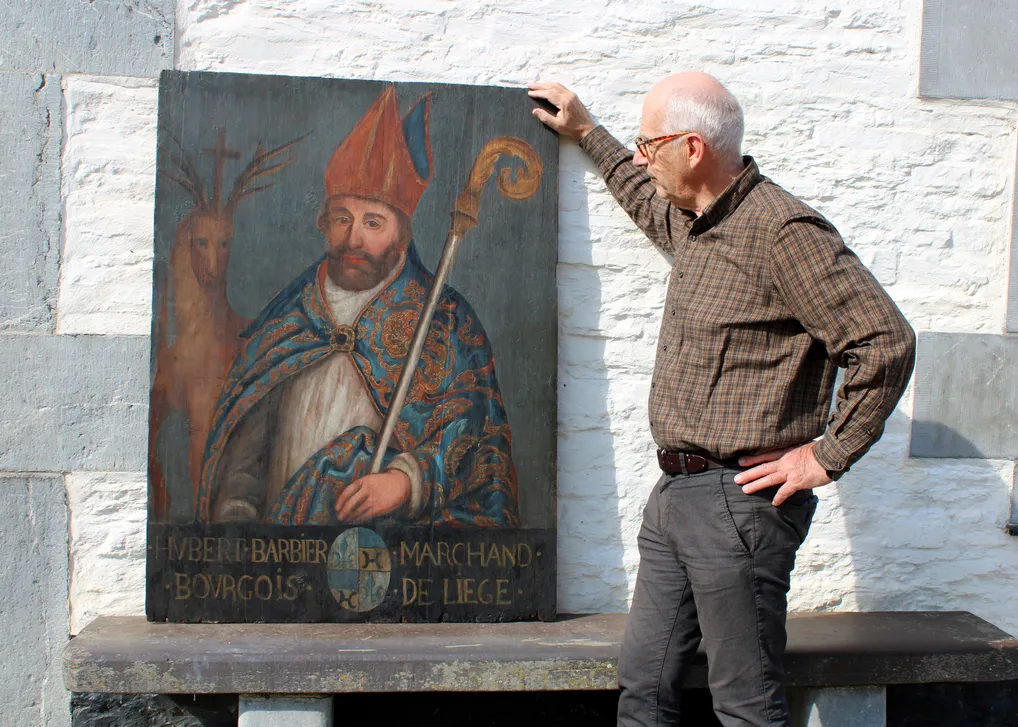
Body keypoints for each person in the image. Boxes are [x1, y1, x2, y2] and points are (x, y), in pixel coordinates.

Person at [529, 74, 915, 726]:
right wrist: (587, 131)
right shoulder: (696, 224)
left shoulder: (782, 231)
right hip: (675, 499)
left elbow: (885, 342)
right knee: (643, 687)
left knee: (745, 703)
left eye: (650, 144)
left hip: (739, 506)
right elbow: (644, 200)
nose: (642, 157)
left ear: (693, 146)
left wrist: (826, 454)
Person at [195, 85, 519, 528]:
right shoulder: (289, 318)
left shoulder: (444, 322)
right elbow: (245, 460)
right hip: (283, 549)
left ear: (402, 234)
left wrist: (406, 482)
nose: (354, 240)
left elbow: (476, 441)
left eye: (373, 223)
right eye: (342, 219)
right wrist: (239, 524)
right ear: (324, 223)